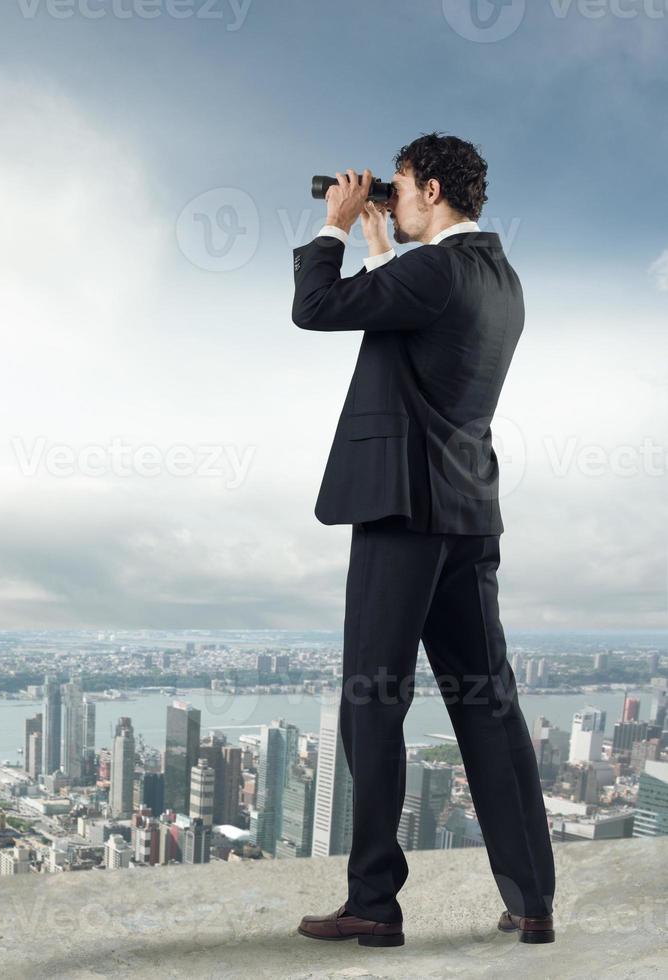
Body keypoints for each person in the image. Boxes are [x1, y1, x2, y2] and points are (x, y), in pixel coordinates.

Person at [290, 133, 556, 948]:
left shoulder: (433, 271)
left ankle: (374, 901)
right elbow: (417, 337)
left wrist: (336, 226)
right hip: (469, 518)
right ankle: (532, 899)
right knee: (489, 705)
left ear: (431, 190)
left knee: (373, 702)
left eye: (396, 188)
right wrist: (383, 247)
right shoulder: (498, 277)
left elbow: (316, 308)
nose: (388, 200)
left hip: (403, 515)